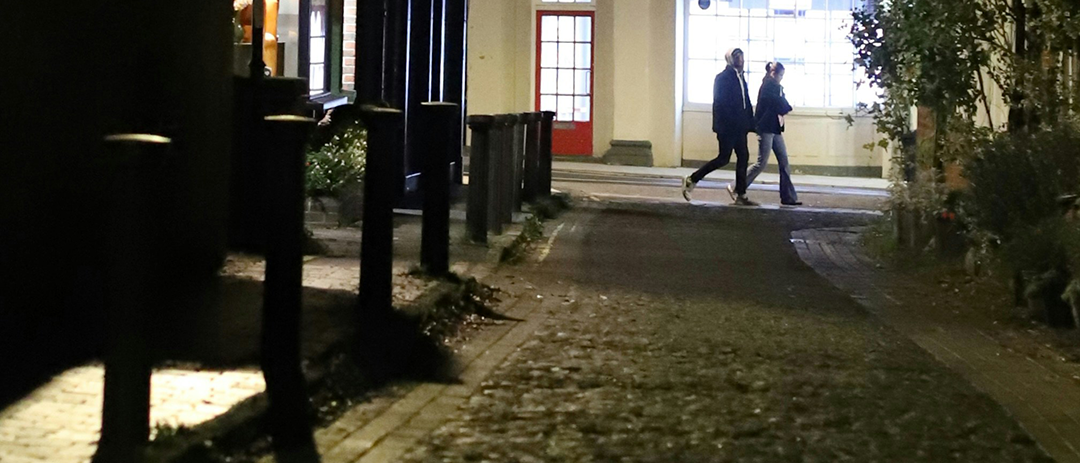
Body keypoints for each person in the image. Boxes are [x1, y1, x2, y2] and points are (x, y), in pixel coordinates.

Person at [681, 48, 756, 205]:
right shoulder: (722, 78)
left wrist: (751, 123)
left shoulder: (741, 78)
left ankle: (740, 193)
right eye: (737, 57)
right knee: (723, 158)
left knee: (743, 157)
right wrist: (720, 126)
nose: (740, 60)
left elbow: (746, 103)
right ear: (730, 59)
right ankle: (692, 179)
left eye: (741, 56)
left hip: (740, 128)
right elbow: (720, 104)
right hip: (728, 127)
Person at [747, 61, 801, 206]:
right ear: (773, 73)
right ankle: (737, 187)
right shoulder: (769, 87)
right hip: (766, 128)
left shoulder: (772, 87)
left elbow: (780, 104)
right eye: (780, 75)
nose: (781, 78)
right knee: (762, 163)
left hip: (773, 128)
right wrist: (785, 105)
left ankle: (788, 196)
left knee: (783, 161)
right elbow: (780, 104)